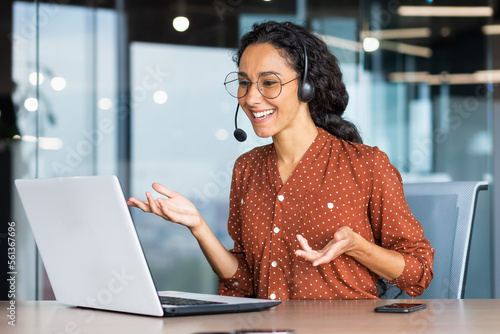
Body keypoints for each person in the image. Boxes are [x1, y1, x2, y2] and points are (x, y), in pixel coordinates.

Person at [127, 21, 434, 300]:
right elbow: (245, 283)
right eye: (245, 83)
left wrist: (357, 247)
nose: (251, 98)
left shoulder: (366, 165)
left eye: (269, 83)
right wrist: (198, 226)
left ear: (306, 86)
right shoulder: (246, 168)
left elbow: (418, 272)